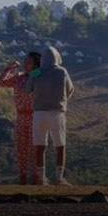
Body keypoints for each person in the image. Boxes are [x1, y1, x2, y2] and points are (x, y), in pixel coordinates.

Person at [25, 46, 75, 186]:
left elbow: (28, 89)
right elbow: (70, 89)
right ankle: (59, 178)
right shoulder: (62, 71)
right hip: (57, 113)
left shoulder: (36, 72)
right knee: (60, 146)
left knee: (40, 146)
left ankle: (41, 178)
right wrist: (62, 100)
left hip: (39, 113)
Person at [0, 51, 40, 185]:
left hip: (36, 117)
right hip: (21, 116)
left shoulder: (40, 77)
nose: (25, 64)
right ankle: (22, 176)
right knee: (21, 148)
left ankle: (36, 178)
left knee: (36, 149)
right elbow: (1, 82)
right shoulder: (19, 78)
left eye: (29, 62)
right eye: (25, 62)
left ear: (36, 65)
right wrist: (9, 68)